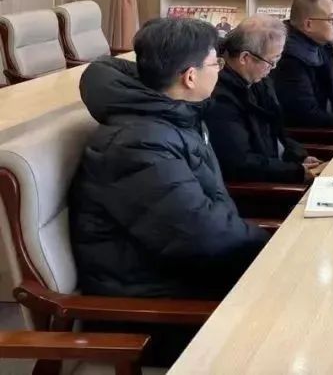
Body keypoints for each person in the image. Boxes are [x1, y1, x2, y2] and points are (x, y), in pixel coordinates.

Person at [68, 19, 268, 362]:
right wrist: (269, 245)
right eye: (215, 64)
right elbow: (203, 235)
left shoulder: (172, 118)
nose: (220, 71)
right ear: (189, 77)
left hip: (180, 279)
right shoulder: (139, 143)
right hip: (149, 313)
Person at [206, 16, 326, 183]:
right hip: (259, 186)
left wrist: (298, 157)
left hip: (275, 168)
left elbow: (274, 133)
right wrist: (296, 172)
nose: (273, 68)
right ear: (244, 58)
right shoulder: (220, 98)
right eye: (271, 61)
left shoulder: (258, 80)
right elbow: (240, 162)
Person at [270, 0, 333, 128]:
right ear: (308, 25)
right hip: (307, 132)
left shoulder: (324, 46)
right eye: (331, 19)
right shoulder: (288, 58)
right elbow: (306, 115)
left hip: (328, 119)